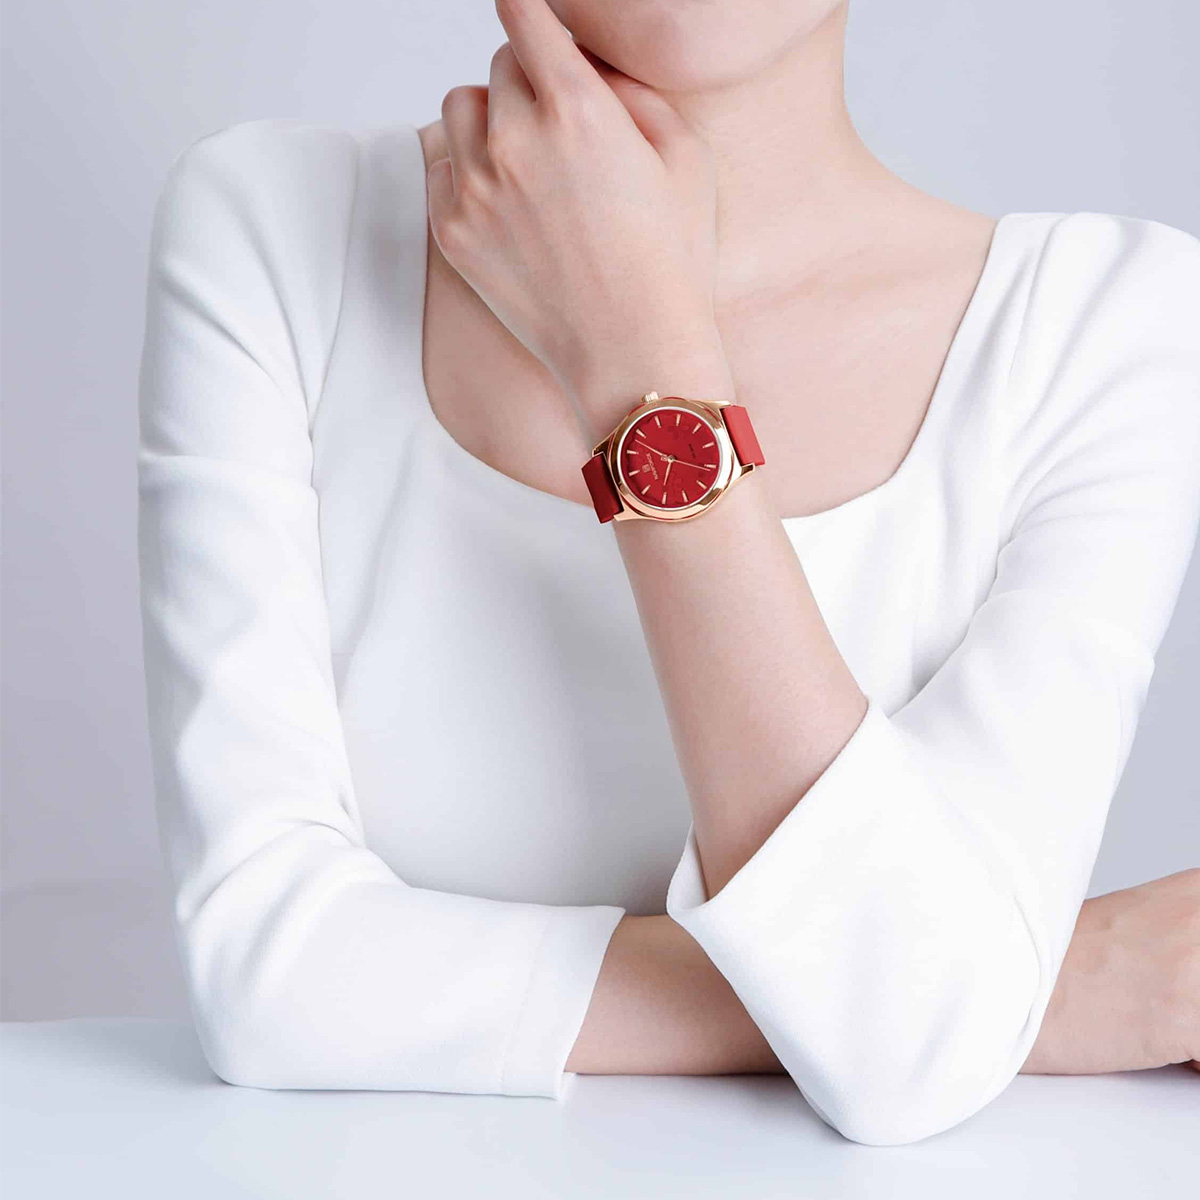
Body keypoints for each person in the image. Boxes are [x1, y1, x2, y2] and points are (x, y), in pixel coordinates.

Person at [135, 0, 1200, 1146]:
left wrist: (636, 349)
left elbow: (912, 1027)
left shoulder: (1103, 324)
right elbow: (267, 975)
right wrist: (1006, 1002)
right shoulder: (279, 225)